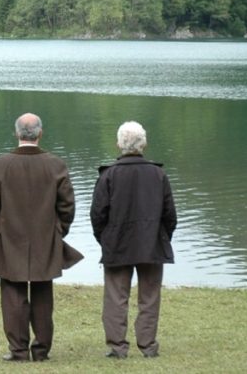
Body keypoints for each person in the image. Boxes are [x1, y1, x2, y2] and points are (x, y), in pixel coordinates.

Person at [0, 113, 83, 362]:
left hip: (9, 237)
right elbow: (67, 207)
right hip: (45, 238)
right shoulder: (56, 165)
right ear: (40, 134)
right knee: (43, 292)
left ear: (16, 134)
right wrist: (57, 231)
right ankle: (41, 351)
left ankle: (18, 351)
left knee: (12, 294)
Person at [90, 120, 177, 359]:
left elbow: (97, 215)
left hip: (117, 244)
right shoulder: (159, 174)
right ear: (144, 144)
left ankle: (118, 347)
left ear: (119, 144)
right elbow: (170, 215)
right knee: (149, 297)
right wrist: (161, 238)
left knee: (116, 297)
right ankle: (148, 346)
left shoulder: (108, 175)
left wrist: (105, 239)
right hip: (152, 244)